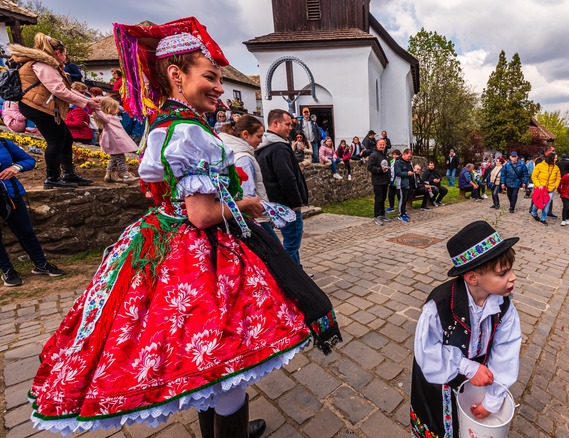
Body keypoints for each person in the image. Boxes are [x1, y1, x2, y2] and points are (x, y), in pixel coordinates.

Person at [29, 18, 341, 436]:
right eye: (209, 77)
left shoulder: (166, 126)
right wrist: (246, 204)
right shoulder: (192, 133)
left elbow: (166, 194)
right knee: (225, 354)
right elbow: (202, 215)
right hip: (201, 252)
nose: (217, 86)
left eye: (218, 78)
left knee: (208, 360)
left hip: (169, 237)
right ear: (177, 75)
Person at [410, 220, 522, 438]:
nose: (512, 277)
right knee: (439, 427)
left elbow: (506, 351)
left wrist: (491, 401)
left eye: (511, 269)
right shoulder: (439, 306)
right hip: (439, 379)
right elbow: (426, 352)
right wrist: (468, 368)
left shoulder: (504, 305)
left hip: (479, 382)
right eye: (502, 273)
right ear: (472, 278)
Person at [9, 33, 100, 189]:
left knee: (66, 138)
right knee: (56, 140)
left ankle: (68, 174)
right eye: (65, 54)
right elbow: (59, 90)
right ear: (57, 53)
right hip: (37, 106)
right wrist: (85, 103)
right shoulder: (43, 65)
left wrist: (87, 100)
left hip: (39, 105)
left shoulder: (46, 64)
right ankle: (52, 178)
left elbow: (65, 89)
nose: (65, 57)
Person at [0, 138, 65, 287]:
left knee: (26, 231)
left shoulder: (3, 142)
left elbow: (29, 160)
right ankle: (8, 270)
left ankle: (41, 264)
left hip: (11, 195)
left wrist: (16, 167)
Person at [256, 110, 310, 265]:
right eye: (287, 124)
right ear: (275, 123)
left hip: (276, 201)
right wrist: (296, 203)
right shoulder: (278, 148)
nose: (290, 128)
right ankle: (290, 275)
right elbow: (286, 178)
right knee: (291, 244)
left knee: (291, 242)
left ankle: (297, 271)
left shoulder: (264, 145)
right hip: (287, 206)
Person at [218, 114, 279, 241]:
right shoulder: (244, 158)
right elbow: (246, 193)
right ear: (245, 135)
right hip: (254, 217)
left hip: (249, 217)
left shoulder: (235, 153)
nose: (261, 141)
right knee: (277, 252)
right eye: (259, 136)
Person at [93, 98, 140, 183]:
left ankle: (110, 175)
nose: (118, 110)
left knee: (114, 158)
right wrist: (96, 108)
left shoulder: (113, 116)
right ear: (109, 108)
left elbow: (123, 109)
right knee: (121, 159)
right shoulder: (107, 118)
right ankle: (125, 175)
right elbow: (100, 115)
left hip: (116, 140)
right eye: (115, 108)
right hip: (115, 140)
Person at [531, 153, 561, 225]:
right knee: (538, 202)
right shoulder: (539, 166)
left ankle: (543, 219)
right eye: (555, 158)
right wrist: (538, 185)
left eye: (556, 158)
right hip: (540, 188)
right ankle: (534, 213)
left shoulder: (556, 168)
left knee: (547, 203)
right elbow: (534, 176)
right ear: (550, 158)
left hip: (550, 189)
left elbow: (558, 177)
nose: (556, 160)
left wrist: (555, 186)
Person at [368, 138, 391, 226]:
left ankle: (382, 214)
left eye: (383, 144)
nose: (382, 146)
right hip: (378, 181)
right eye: (380, 144)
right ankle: (377, 216)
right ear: (377, 145)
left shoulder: (386, 155)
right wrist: (380, 169)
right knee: (378, 199)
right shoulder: (373, 155)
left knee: (383, 198)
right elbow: (370, 168)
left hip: (385, 180)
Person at [394, 148, 413, 222]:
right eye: (408, 155)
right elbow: (398, 173)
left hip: (408, 183)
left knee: (405, 199)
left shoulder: (409, 162)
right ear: (404, 154)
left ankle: (404, 212)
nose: (409, 157)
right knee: (402, 199)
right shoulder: (398, 162)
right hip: (401, 184)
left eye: (410, 156)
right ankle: (400, 214)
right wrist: (407, 173)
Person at [386, 149, 401, 213]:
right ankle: (391, 207)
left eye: (396, 154)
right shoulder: (391, 161)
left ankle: (401, 207)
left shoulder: (400, 162)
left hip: (397, 180)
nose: (395, 156)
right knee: (390, 194)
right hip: (391, 180)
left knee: (399, 195)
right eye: (394, 154)